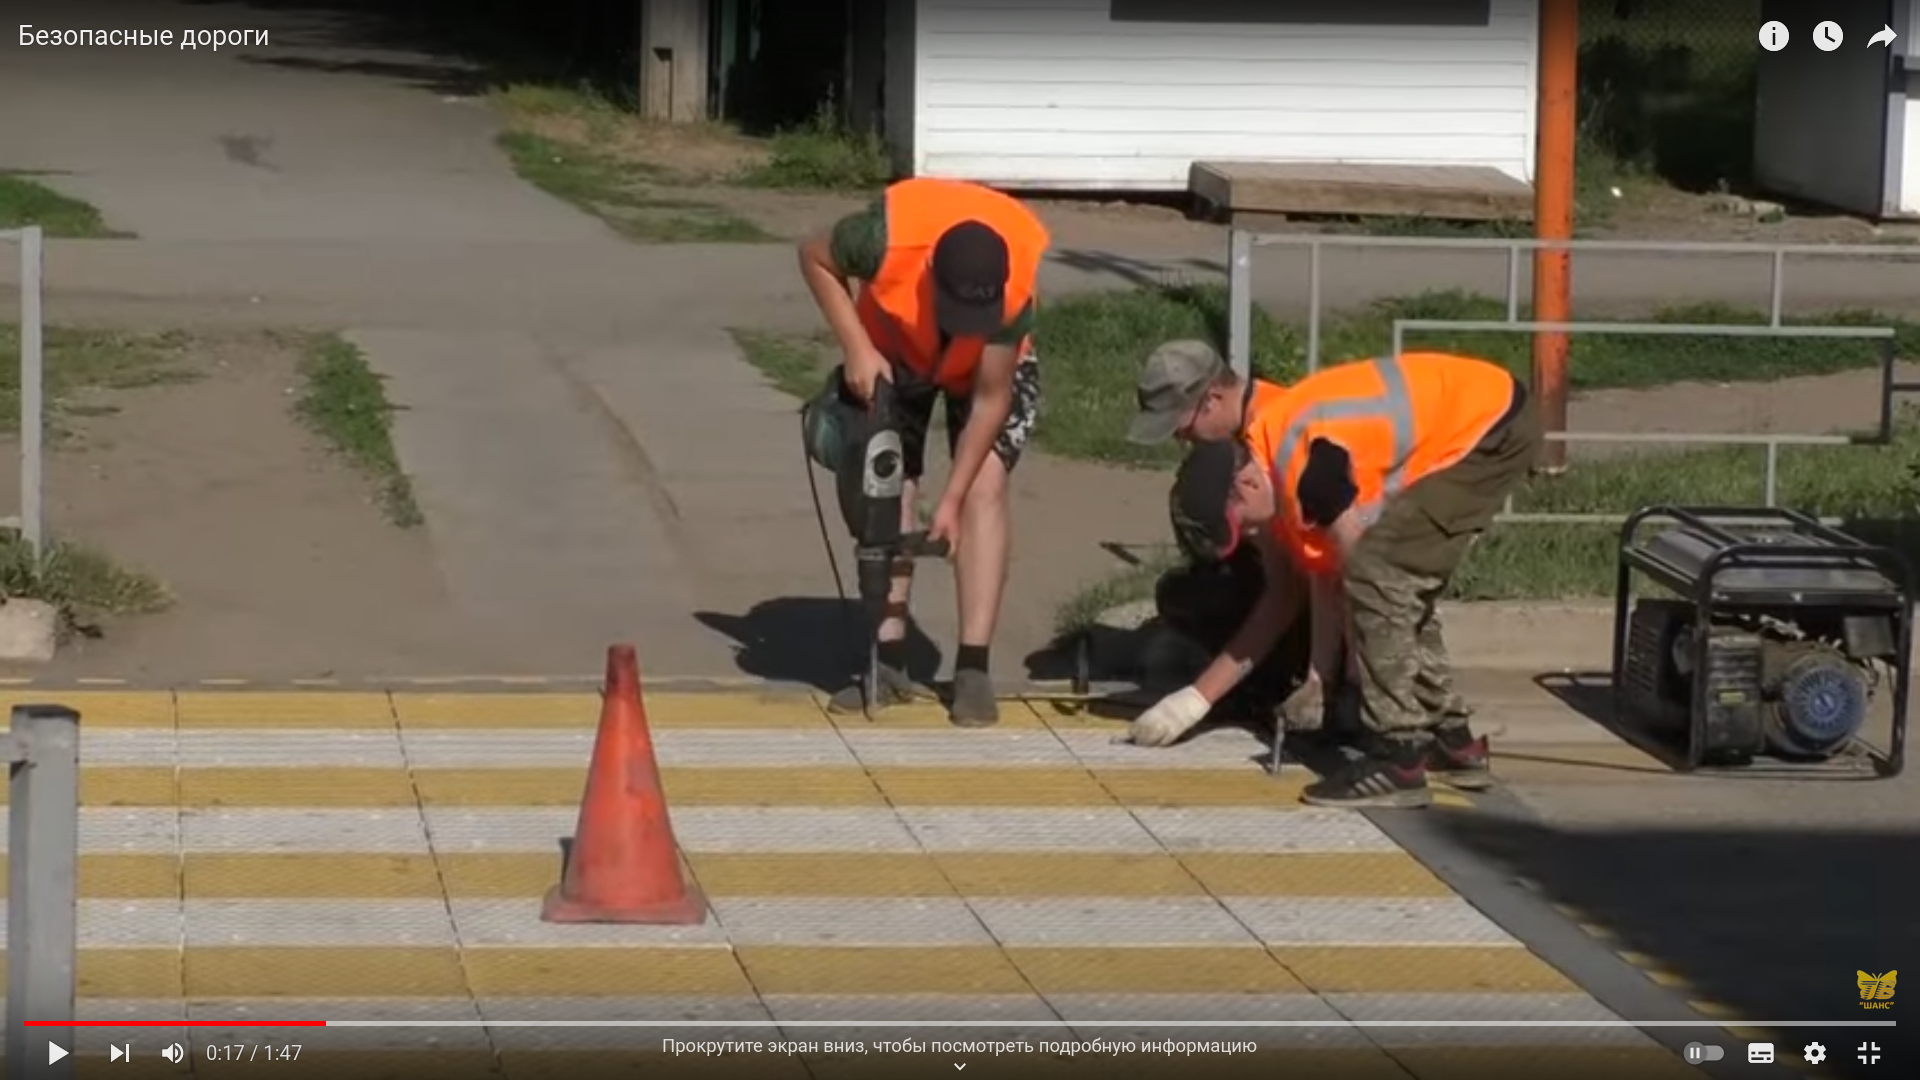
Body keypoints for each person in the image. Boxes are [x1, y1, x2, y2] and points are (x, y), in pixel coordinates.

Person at [1128, 350, 1541, 808]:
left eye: (1243, 526)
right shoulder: (1268, 450)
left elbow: (1365, 574)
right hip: (1477, 419)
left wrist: (1346, 683)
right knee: (1394, 578)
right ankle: (1450, 739)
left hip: (1489, 429)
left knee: (1379, 578)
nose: (1251, 537)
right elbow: (1328, 575)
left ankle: (1398, 757)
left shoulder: (1303, 467)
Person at [797, 177, 1050, 728]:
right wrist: (857, 349)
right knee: (888, 482)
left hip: (979, 372)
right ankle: (887, 660)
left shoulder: (1013, 293)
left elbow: (989, 400)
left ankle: (973, 669)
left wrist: (953, 501)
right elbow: (812, 255)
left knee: (984, 485)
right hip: (892, 347)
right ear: (931, 273)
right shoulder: (879, 238)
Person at [1126, 340, 1320, 723]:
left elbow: (1287, 591)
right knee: (1185, 592)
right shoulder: (1245, 429)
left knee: (1206, 598)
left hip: (1328, 603)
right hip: (1311, 593)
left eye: (1181, 428)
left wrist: (1197, 699)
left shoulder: (1272, 439)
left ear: (1212, 398)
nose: (1182, 440)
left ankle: (1283, 684)